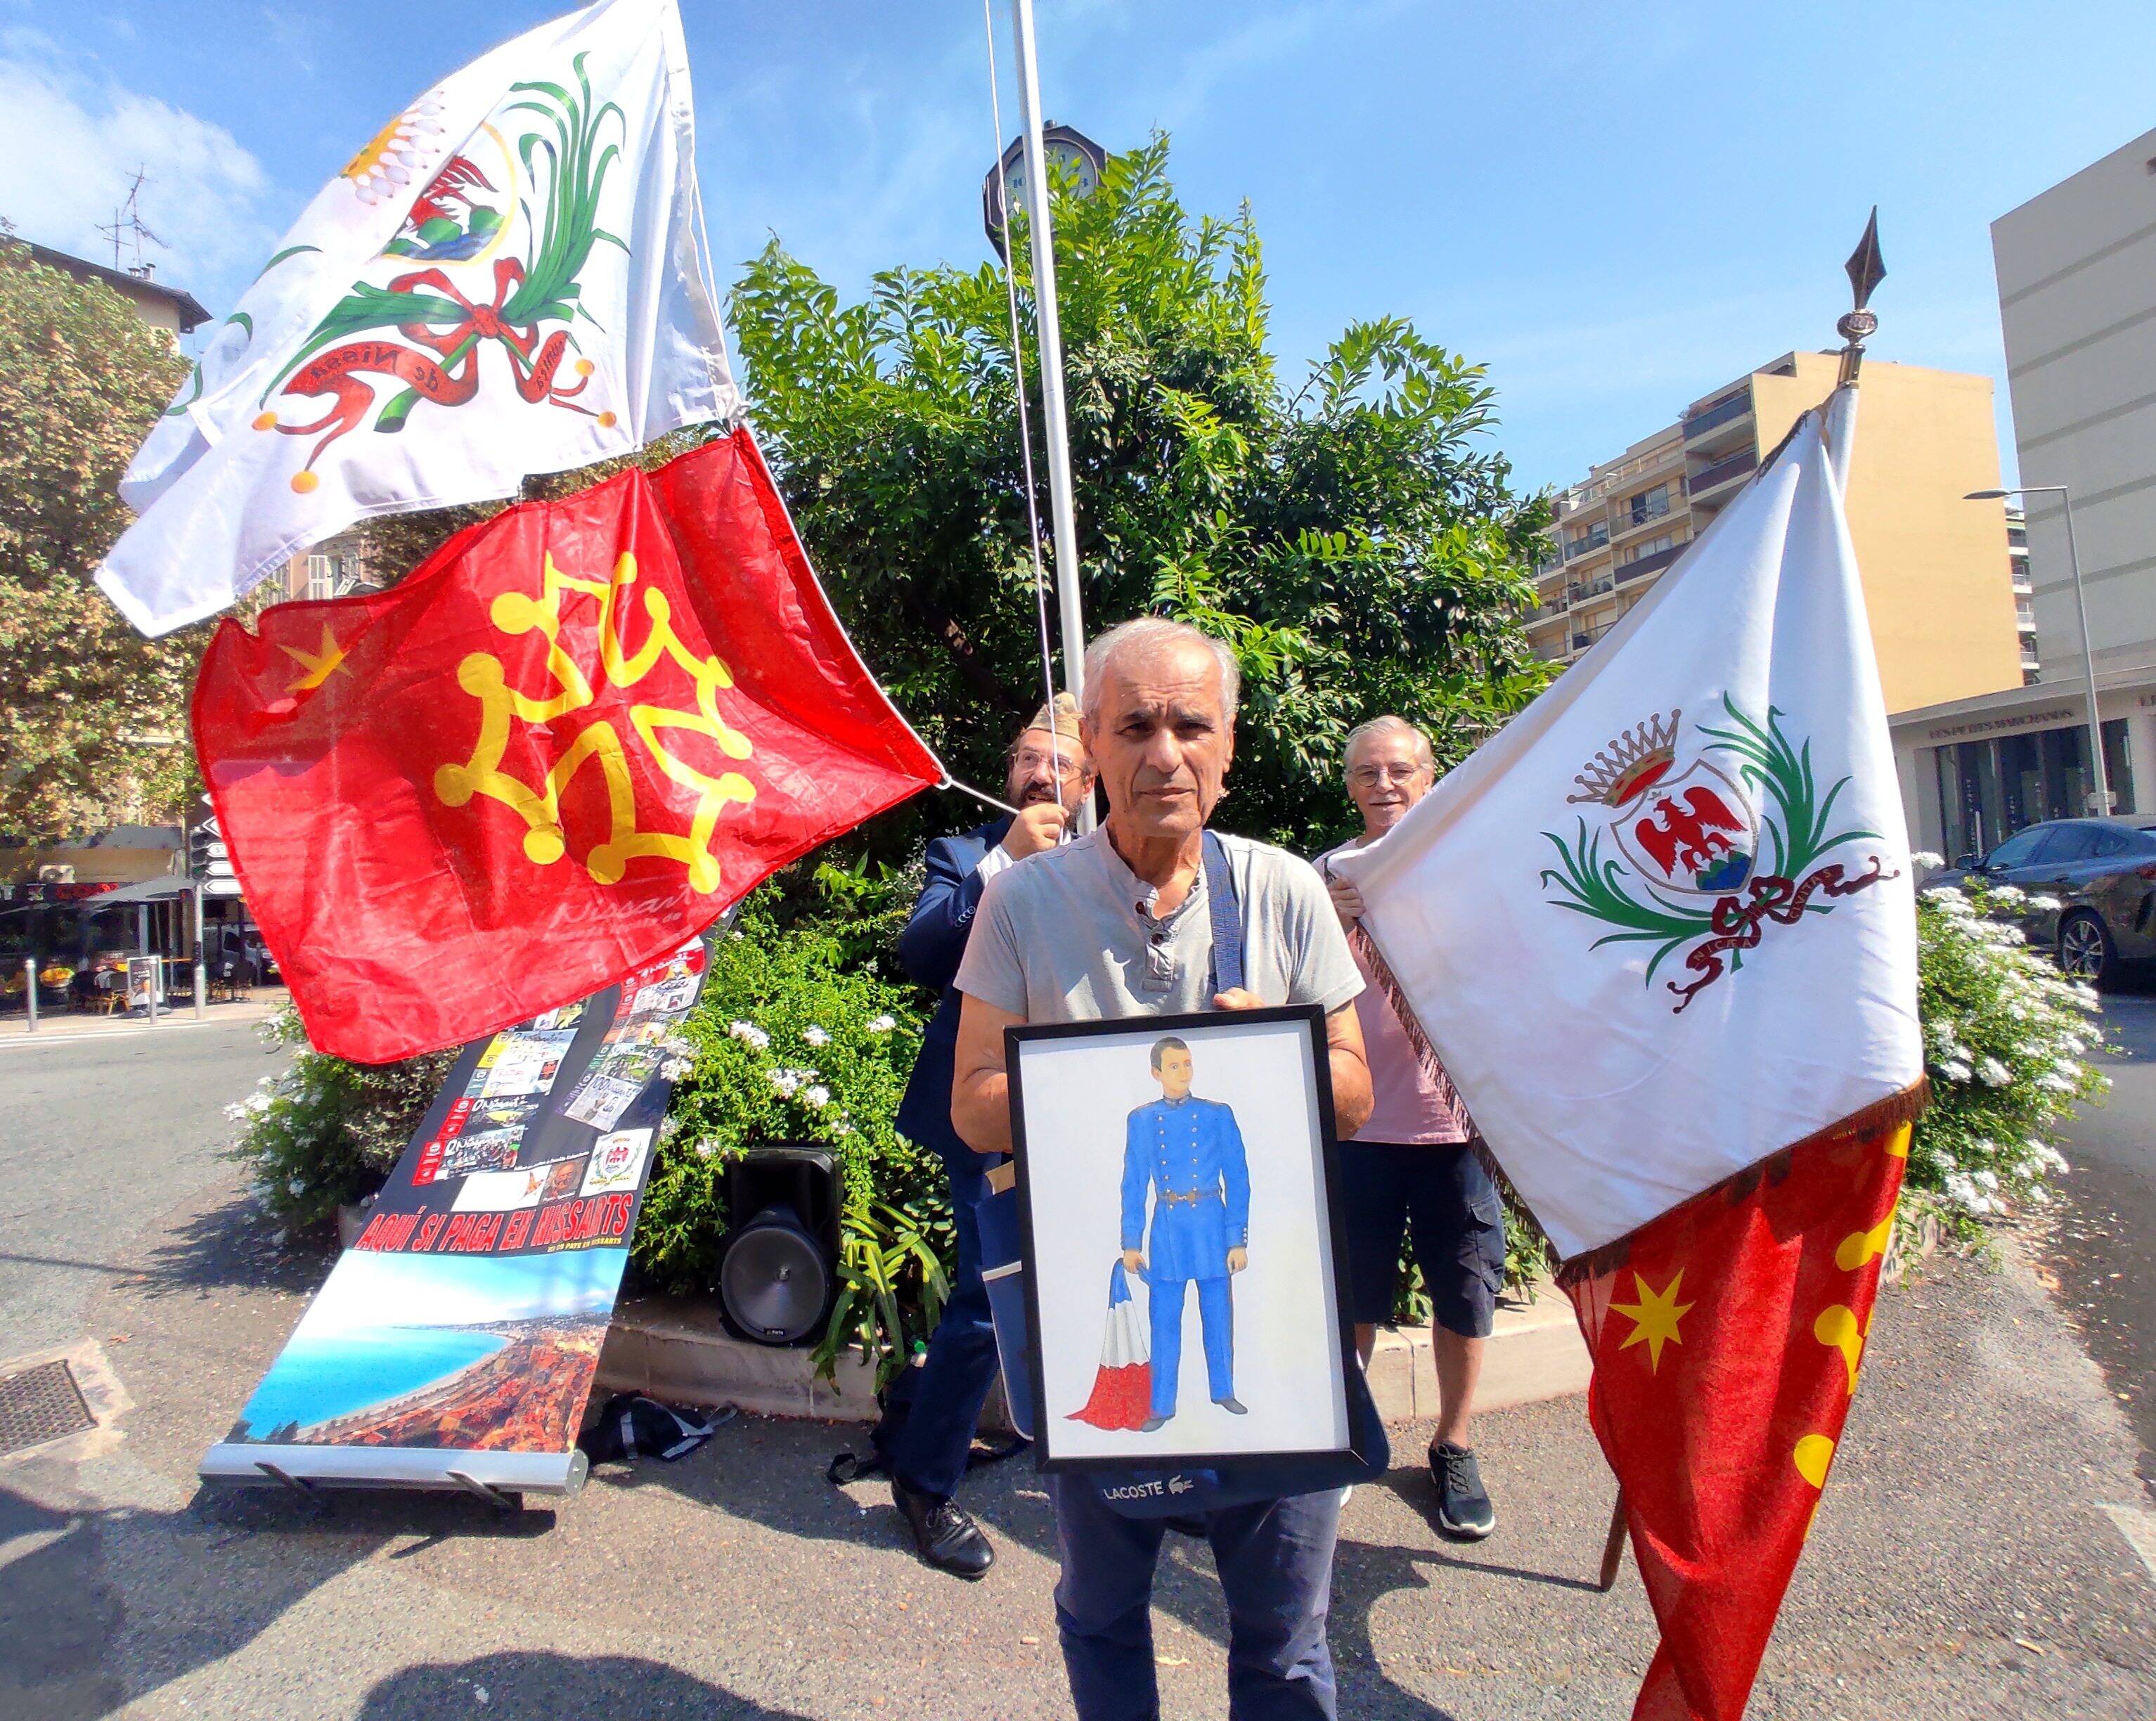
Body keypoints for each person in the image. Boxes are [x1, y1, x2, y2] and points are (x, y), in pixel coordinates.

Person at [950, 617, 1373, 1721]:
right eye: (1133, 726)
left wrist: (1272, 1052)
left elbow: (1354, 1090)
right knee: (1100, 1611)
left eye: (1189, 724)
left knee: (1283, 1640)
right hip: (1108, 1312)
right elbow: (973, 1109)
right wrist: (1089, 1093)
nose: (1163, 753)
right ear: (1089, 743)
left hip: (1276, 1311)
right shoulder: (1023, 903)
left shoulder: (1283, 891)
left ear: (1227, 745)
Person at [886, 695, 1095, 1579]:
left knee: (1109, 1280)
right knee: (986, 1298)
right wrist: (1004, 863)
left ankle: (1136, 1463)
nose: (1040, 774)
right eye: (1025, 758)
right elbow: (921, 951)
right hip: (988, 1112)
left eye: (1059, 764)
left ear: (1089, 783)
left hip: (1090, 1108)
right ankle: (924, 1485)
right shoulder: (966, 854)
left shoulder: (1106, 862)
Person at [1318, 714, 1500, 1542]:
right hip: (1355, 1127)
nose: (1383, 785)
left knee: (1464, 1295)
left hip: (1455, 1129)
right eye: (1366, 773)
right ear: (1348, 785)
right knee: (1351, 1296)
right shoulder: (1321, 877)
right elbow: (1281, 981)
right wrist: (1326, 915)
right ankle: (1353, 1439)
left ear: (1430, 776)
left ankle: (1453, 1447)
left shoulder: (1471, 867)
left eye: (1399, 770)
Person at [1120, 1035, 1251, 1429]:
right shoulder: (1142, 1120)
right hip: (1168, 1229)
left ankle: (1223, 1390)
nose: (1183, 1072)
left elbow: (1239, 1178)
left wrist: (1236, 1240)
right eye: (1174, 1066)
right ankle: (1161, 1405)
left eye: (1188, 1064)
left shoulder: (1217, 1114)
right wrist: (1131, 1243)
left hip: (1211, 1223)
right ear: (1156, 1073)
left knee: (1217, 1315)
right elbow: (1133, 1182)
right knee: (1164, 1318)